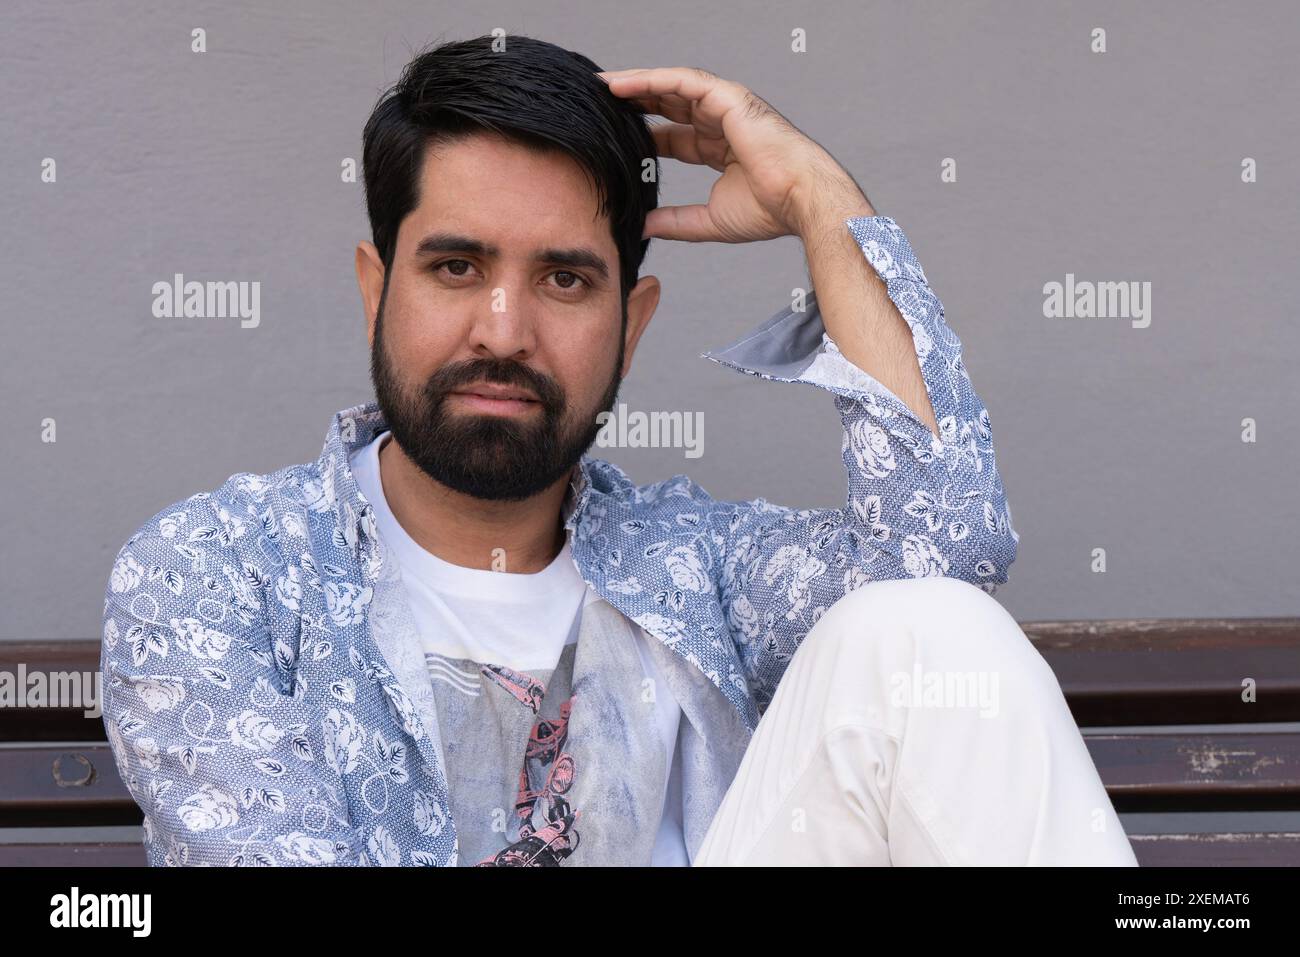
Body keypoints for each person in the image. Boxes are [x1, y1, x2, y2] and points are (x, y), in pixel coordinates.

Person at [100, 33, 1135, 866]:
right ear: (378, 291)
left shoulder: (703, 568)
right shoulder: (218, 571)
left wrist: (821, 201)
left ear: (631, 325)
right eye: (457, 267)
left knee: (927, 634)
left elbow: (944, 559)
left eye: (564, 279)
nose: (503, 330)